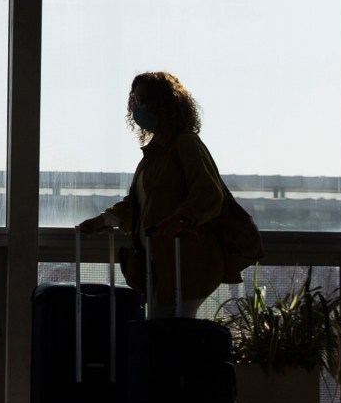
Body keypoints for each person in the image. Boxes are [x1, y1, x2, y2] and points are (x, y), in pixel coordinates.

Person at [75, 71, 263, 316]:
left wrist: (181, 219)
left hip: (184, 263)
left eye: (144, 101)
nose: (138, 109)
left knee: (169, 333)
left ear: (165, 105)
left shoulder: (185, 144)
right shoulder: (154, 155)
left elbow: (208, 194)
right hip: (160, 264)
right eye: (136, 102)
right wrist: (106, 219)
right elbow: (138, 204)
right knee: (165, 333)